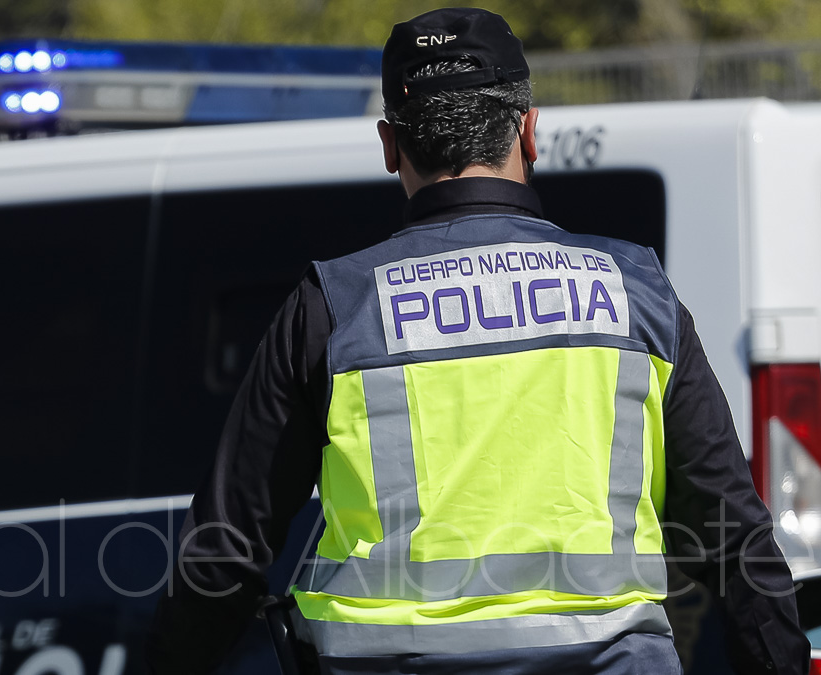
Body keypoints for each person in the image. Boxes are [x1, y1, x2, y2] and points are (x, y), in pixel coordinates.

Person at [146, 8, 809, 675]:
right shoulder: (635, 291)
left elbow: (225, 550)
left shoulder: (331, 309)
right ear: (529, 129)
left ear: (388, 145)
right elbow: (735, 539)